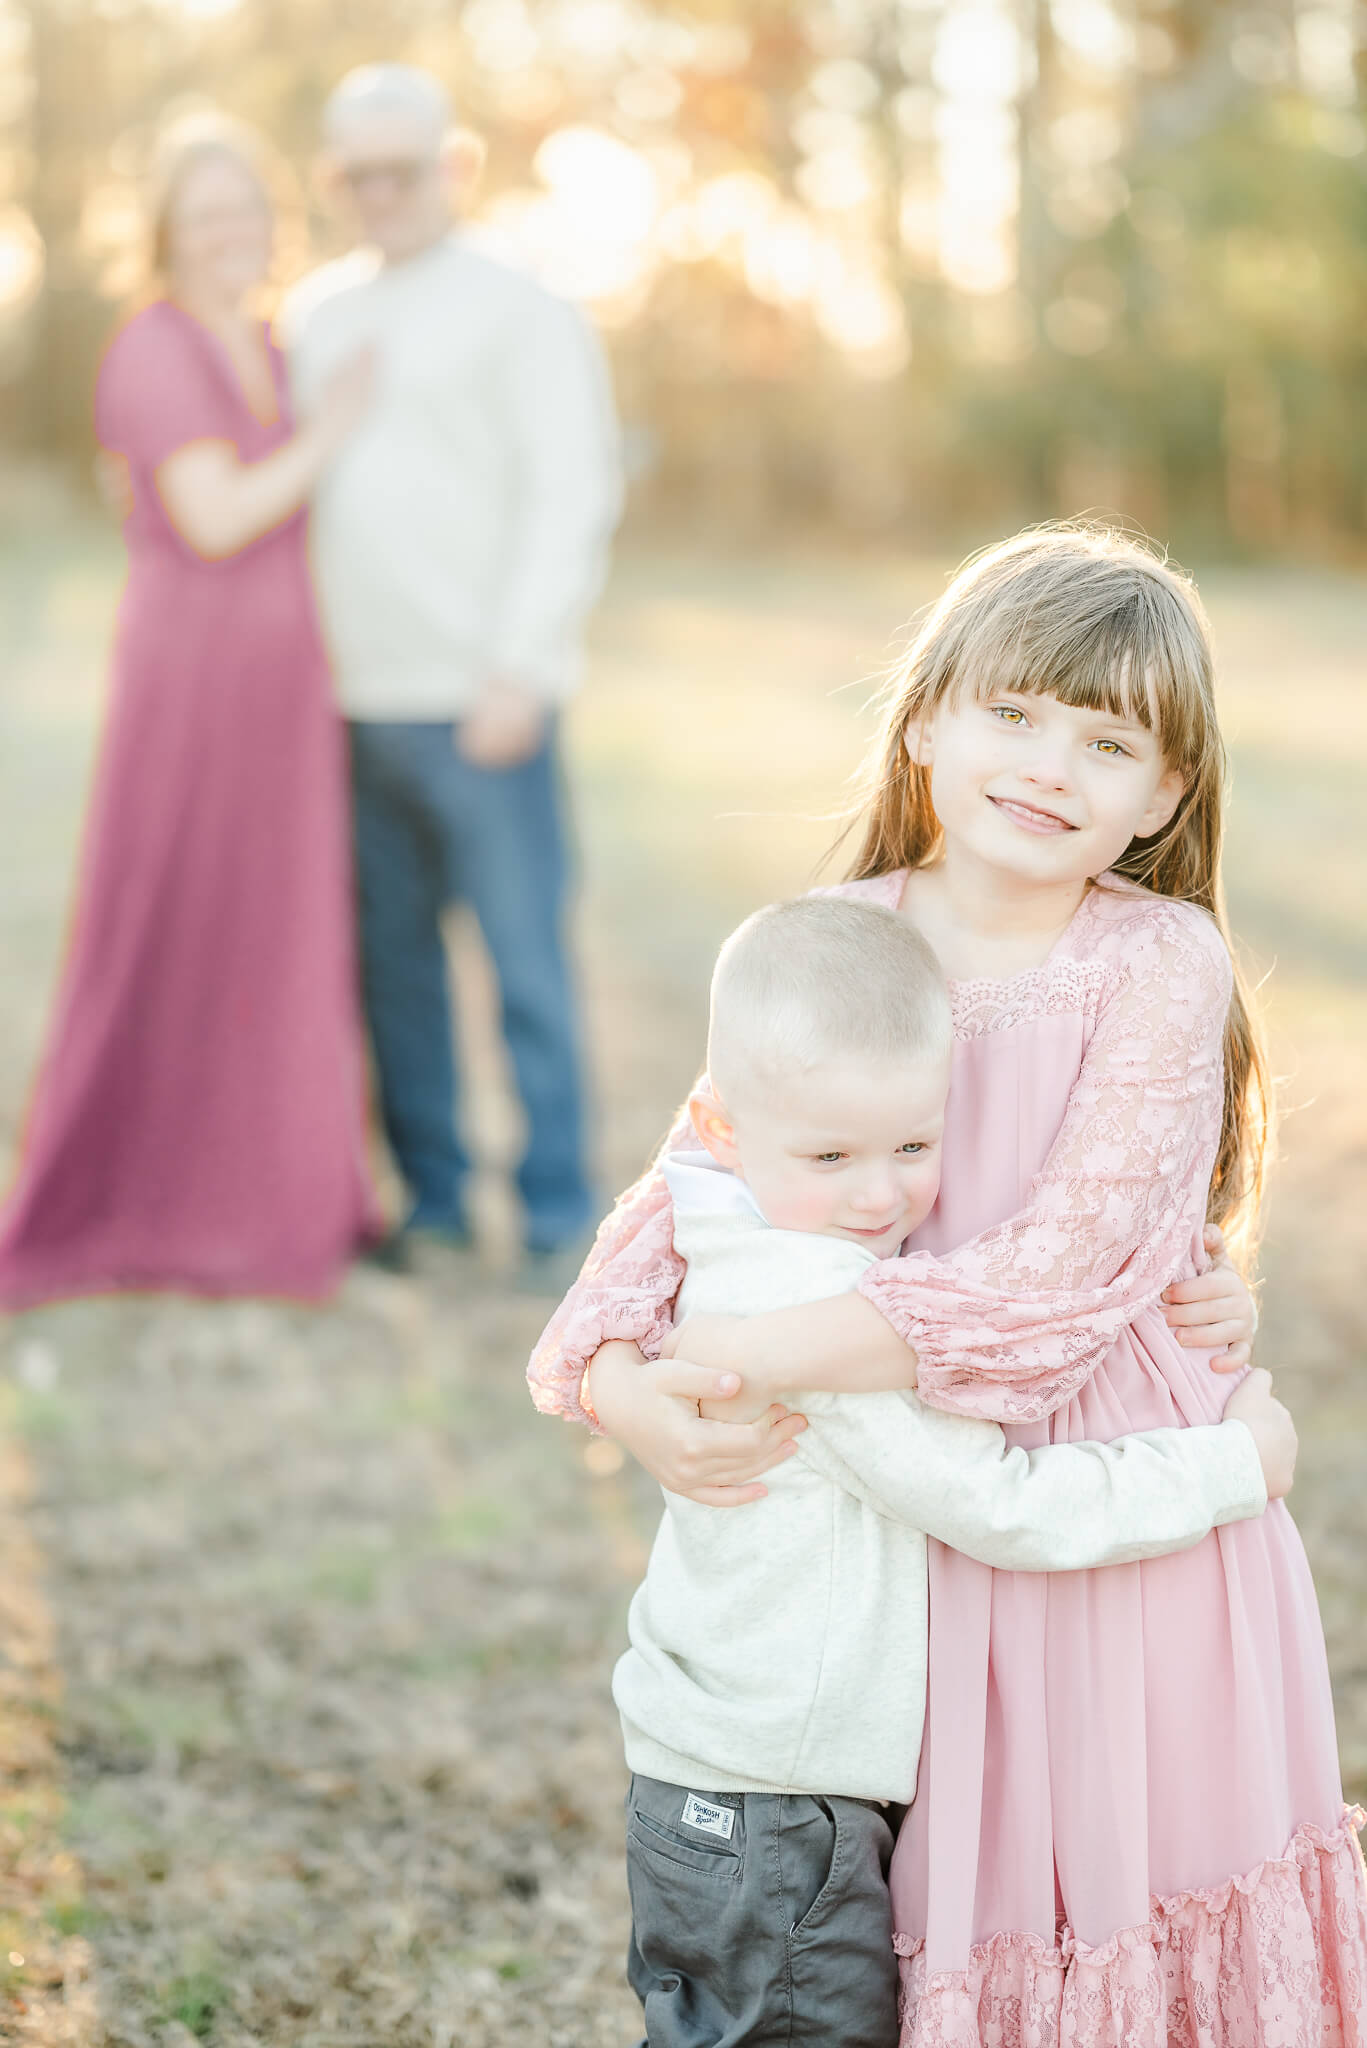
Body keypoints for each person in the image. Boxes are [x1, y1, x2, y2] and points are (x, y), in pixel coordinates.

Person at [529, 526, 1367, 2042]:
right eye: (1013, 714)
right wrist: (619, 1383)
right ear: (925, 719)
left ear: (1165, 792)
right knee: (914, 1916)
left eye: (1106, 741)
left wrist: (750, 1346)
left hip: (1110, 1485)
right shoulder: (842, 936)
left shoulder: (1152, 957)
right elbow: (683, 1193)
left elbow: (1060, 1278)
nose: (1048, 767)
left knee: (1117, 1874)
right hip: (898, 1505)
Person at [613, 893, 1294, 2048]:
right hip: (779, 1804)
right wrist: (1229, 1462)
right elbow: (1000, 1506)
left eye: (912, 1148)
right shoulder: (815, 1317)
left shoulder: (725, 1232)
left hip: (713, 1777)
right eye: (831, 1155)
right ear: (717, 1124)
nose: (878, 1195)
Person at [0, 115, 379, 1307]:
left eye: (247, 211)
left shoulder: (274, 338)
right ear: (164, 230)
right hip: (192, 681)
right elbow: (217, 516)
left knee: (276, 927)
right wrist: (333, 428)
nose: (232, 234)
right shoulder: (151, 347)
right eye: (206, 215)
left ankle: (278, 1195)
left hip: (286, 686)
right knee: (180, 911)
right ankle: (155, 1192)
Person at [281, 65, 622, 1281]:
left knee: (522, 958)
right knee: (394, 970)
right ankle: (428, 1198)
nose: (379, 192)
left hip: (482, 699)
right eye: (356, 174)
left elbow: (570, 492)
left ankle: (551, 1208)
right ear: (334, 181)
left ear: (452, 166)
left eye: (402, 168)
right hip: (351, 702)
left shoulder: (522, 309)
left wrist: (518, 667)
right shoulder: (315, 314)